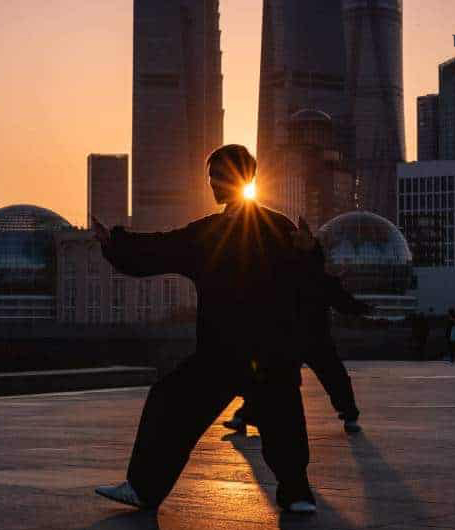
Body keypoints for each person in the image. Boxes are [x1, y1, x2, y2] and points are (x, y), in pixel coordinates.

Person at [93, 145, 318, 513]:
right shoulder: (278, 228)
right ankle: (297, 494)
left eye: (215, 176)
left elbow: (159, 249)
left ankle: (144, 488)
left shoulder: (213, 233)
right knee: (282, 417)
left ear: (233, 178)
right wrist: (311, 253)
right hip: (268, 350)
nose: (210, 183)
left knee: (171, 404)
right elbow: (308, 279)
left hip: (224, 352)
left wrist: (115, 244)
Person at [222, 233, 372, 435]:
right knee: (333, 377)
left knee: (272, 376)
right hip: (310, 338)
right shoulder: (319, 279)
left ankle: (244, 416)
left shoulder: (289, 276)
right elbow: (344, 303)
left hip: (293, 338)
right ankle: (350, 416)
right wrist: (365, 309)